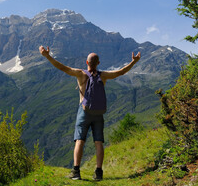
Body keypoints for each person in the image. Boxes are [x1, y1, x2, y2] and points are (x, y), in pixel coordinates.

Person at [39, 46, 141, 181]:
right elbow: (121, 72)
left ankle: (76, 171)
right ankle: (98, 172)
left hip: (84, 112)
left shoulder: (80, 74)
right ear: (98, 63)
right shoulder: (103, 75)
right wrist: (134, 62)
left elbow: (62, 67)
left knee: (80, 140)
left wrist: (47, 56)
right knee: (98, 142)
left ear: (87, 63)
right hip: (99, 113)